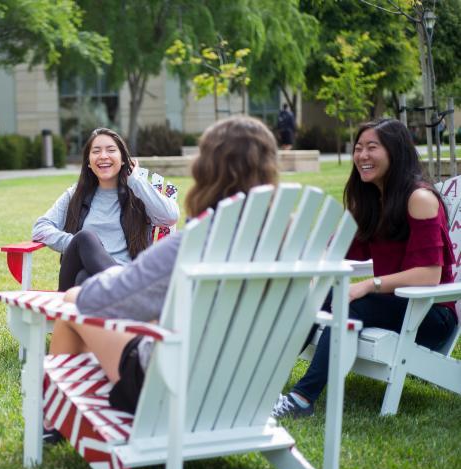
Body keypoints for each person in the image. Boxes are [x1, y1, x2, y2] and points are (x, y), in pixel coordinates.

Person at [43, 116, 279, 442]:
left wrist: (74, 296)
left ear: (206, 171)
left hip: (167, 384)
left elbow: (98, 302)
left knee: (72, 308)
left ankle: (51, 421)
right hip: (243, 389)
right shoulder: (282, 245)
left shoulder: (191, 244)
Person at [273, 118, 458, 418]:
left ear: (395, 152)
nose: (362, 156)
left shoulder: (419, 199)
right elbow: (335, 252)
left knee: (351, 302)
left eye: (372, 147)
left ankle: (302, 399)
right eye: (358, 148)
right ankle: (264, 387)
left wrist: (367, 285)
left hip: (429, 314)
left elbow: (428, 275)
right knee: (315, 297)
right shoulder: (373, 201)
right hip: (394, 305)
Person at [32, 127, 179, 291]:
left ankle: (118, 288)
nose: (103, 156)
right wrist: (78, 246)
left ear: (123, 158)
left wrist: (136, 181)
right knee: (85, 239)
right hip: (113, 284)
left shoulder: (138, 194)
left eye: (111, 150)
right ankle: (124, 289)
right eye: (96, 151)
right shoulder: (76, 195)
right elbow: (40, 228)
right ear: (88, 161)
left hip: (99, 282)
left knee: (84, 279)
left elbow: (170, 216)